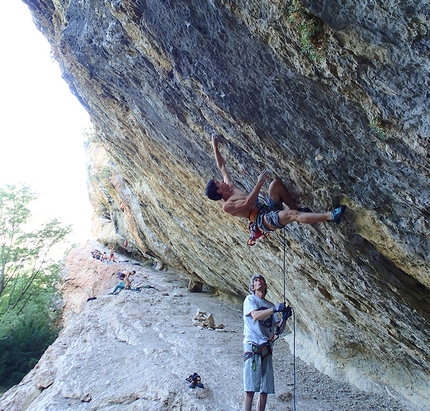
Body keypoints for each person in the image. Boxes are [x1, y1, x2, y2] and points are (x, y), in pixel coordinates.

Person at [205, 135, 346, 237]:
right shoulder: (227, 206)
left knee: (275, 185)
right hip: (263, 220)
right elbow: (249, 202)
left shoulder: (229, 186)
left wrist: (214, 146)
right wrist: (259, 183)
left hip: (267, 209)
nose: (222, 181)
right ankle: (331, 216)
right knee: (292, 215)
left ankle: (298, 209)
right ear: (219, 190)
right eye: (219, 182)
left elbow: (221, 166)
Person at [243, 274, 287, 411]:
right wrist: (274, 310)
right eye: (255, 281)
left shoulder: (269, 305)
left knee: (264, 389)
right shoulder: (250, 299)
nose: (258, 281)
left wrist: (285, 318)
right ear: (253, 287)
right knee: (250, 388)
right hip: (253, 345)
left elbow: (278, 329)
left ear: (265, 285)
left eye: (261, 280)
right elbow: (255, 315)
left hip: (266, 347)